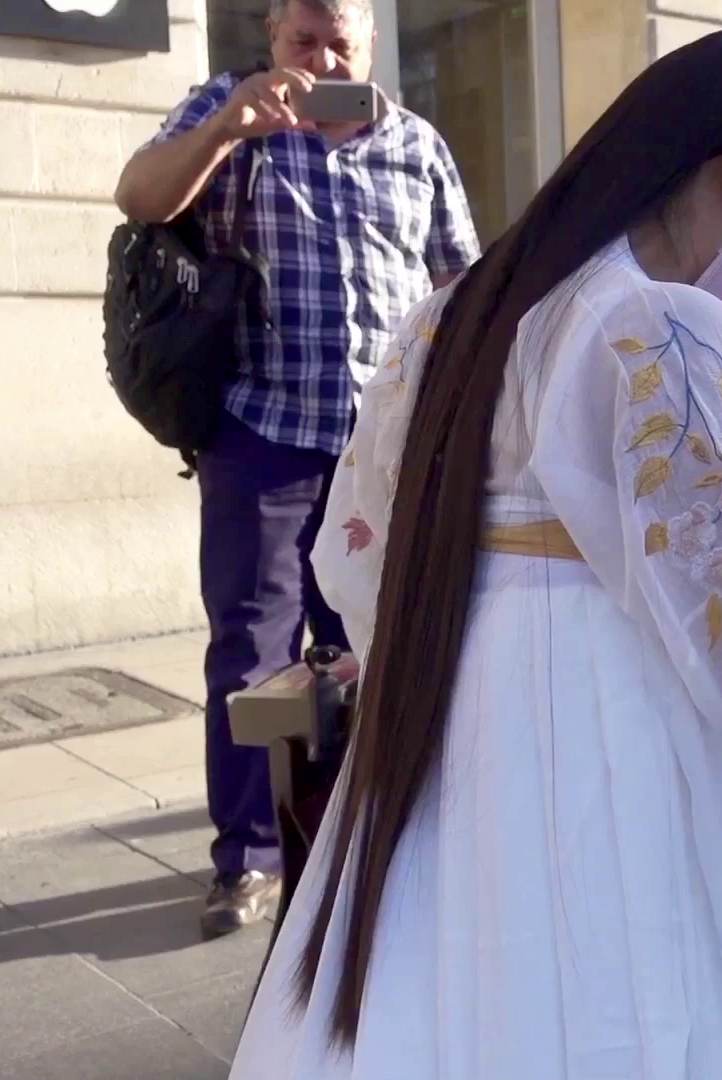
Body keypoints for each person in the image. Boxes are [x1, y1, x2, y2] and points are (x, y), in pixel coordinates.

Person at [231, 31, 722, 1079]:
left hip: (445, 729)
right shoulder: (663, 329)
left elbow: (361, 556)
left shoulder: (455, 316)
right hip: (624, 742)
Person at [112, 0, 481, 938]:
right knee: (252, 655)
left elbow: (460, 289)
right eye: (300, 43)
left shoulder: (420, 148)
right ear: (273, 38)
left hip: (383, 452)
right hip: (262, 438)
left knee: (383, 644)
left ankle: (365, 836)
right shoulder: (230, 114)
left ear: (368, 44)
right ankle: (250, 859)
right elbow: (140, 195)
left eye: (338, 44)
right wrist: (234, 124)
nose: (318, 62)